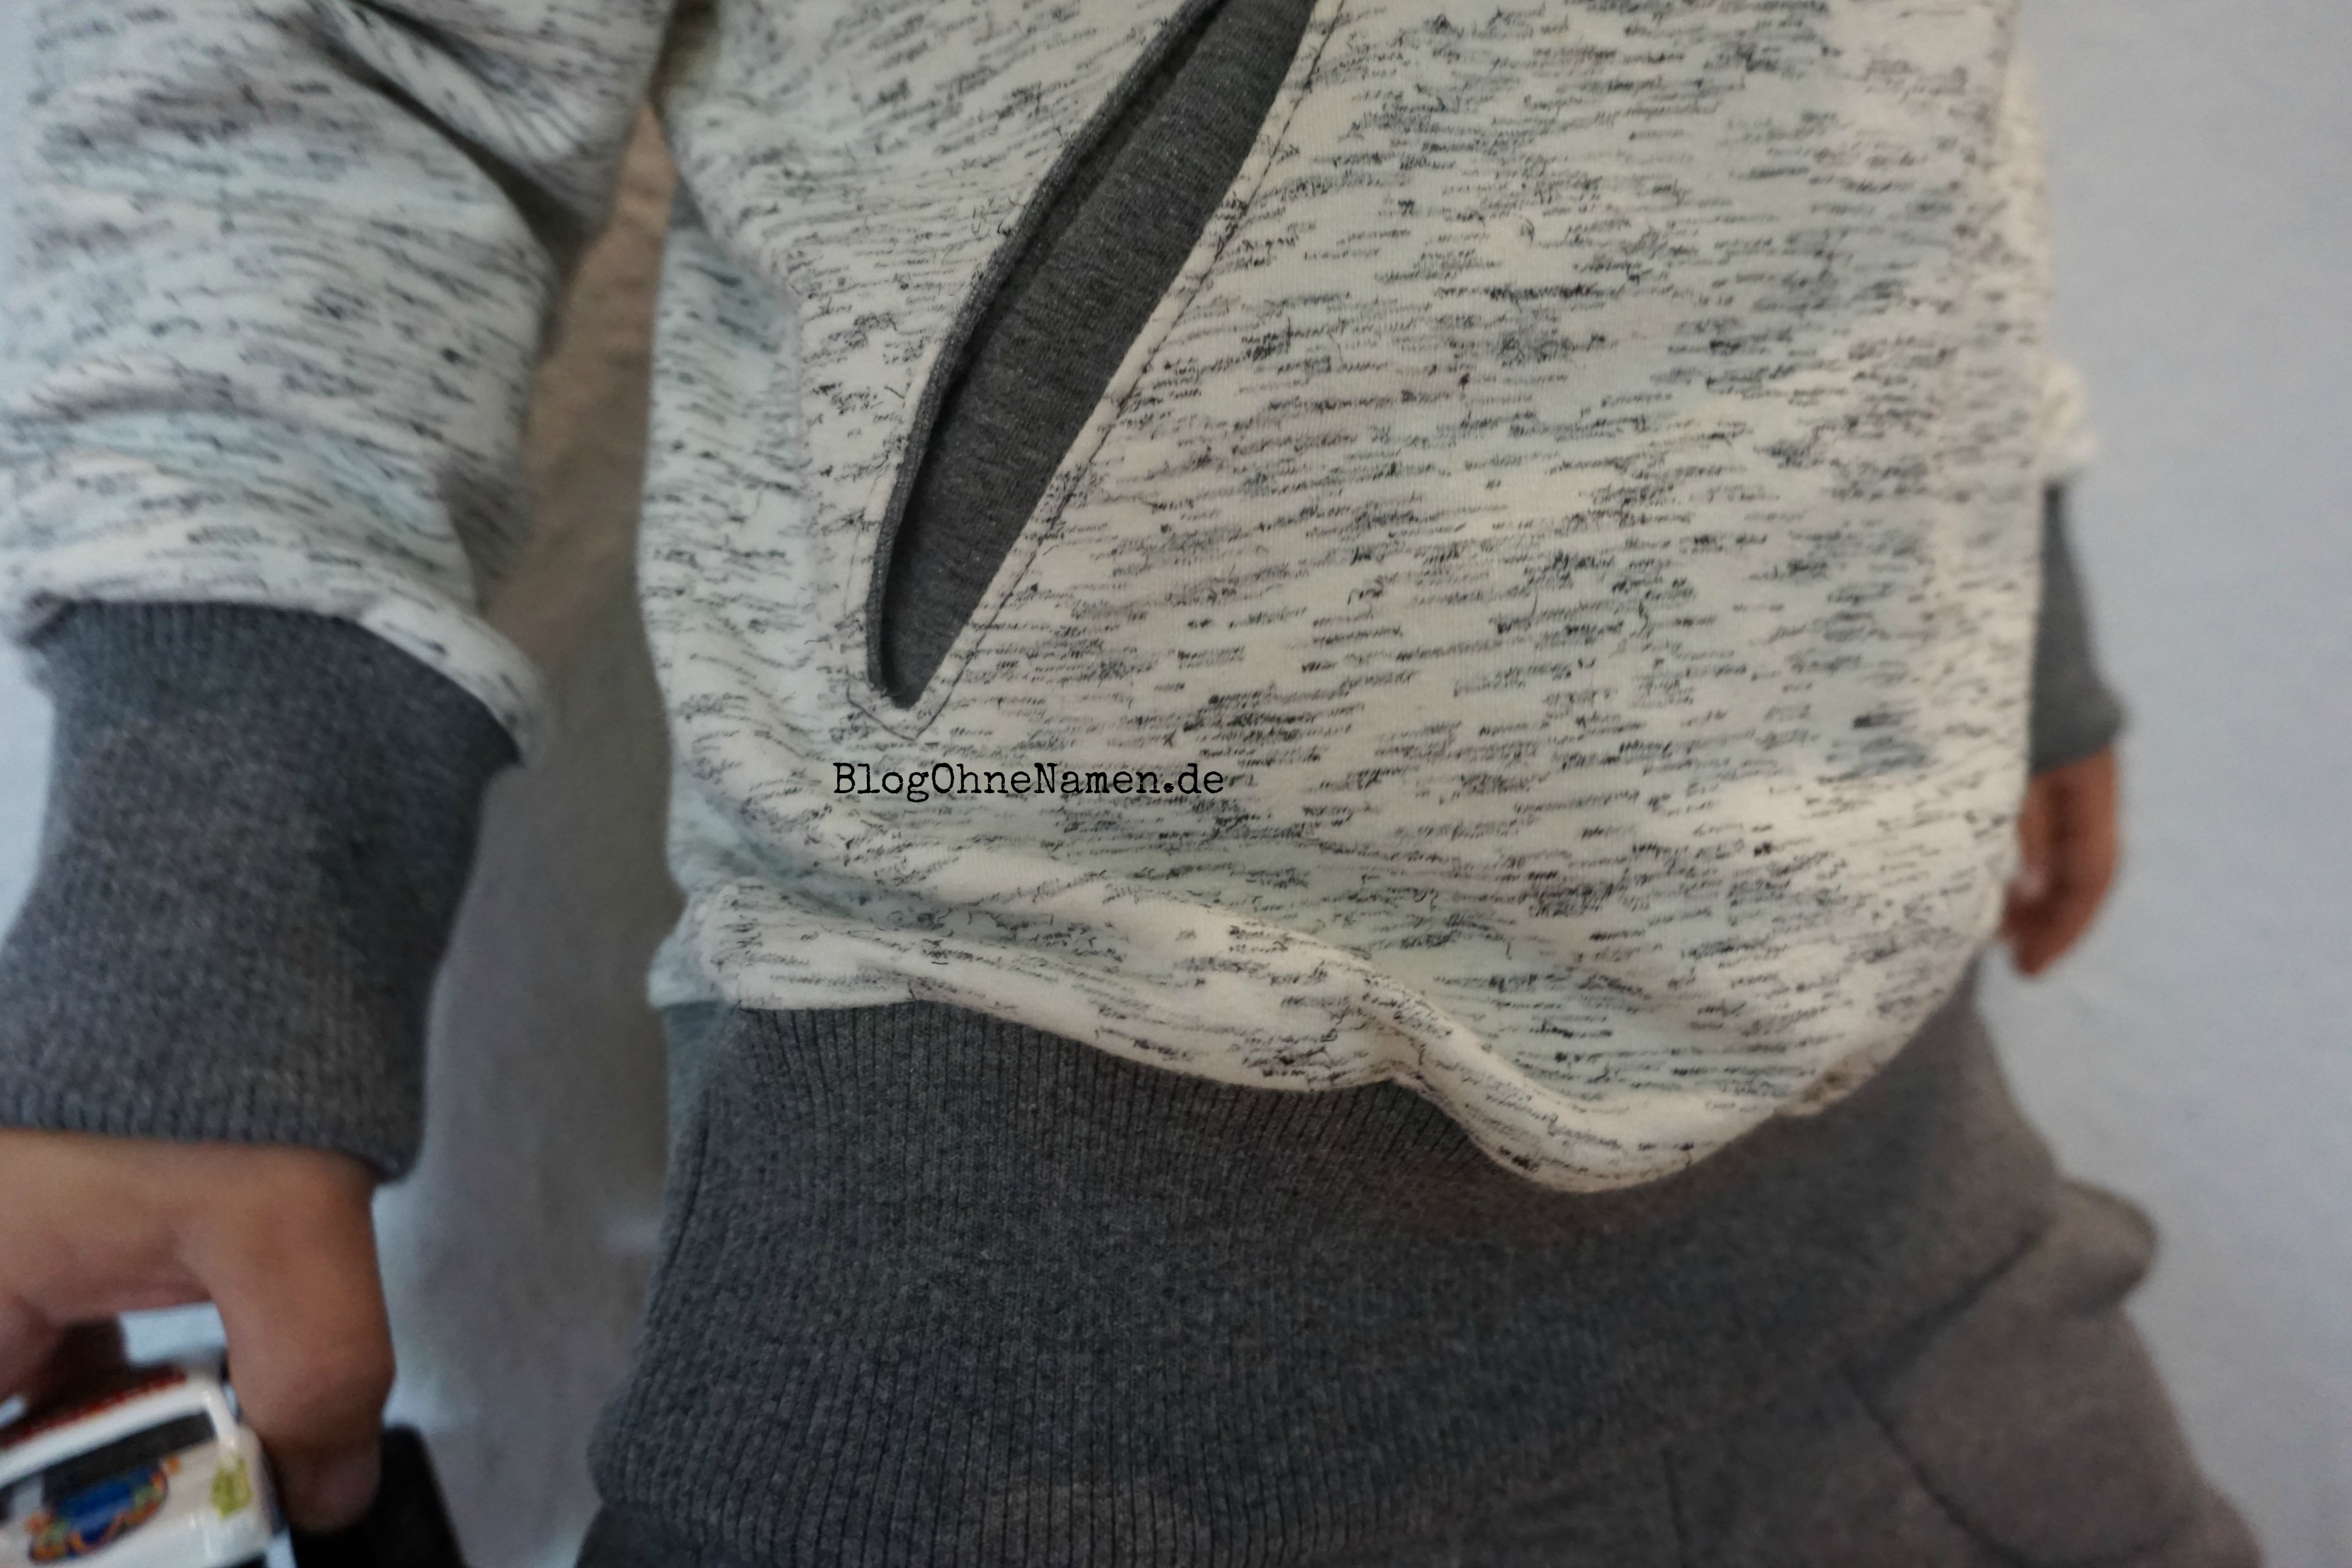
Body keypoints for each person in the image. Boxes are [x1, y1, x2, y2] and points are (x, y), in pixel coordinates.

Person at [0, 0, 2261, 1562]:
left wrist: (2006, 580)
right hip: (1029, 1379)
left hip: (1911, 1235)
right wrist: (210, 899)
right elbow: (354, 53)